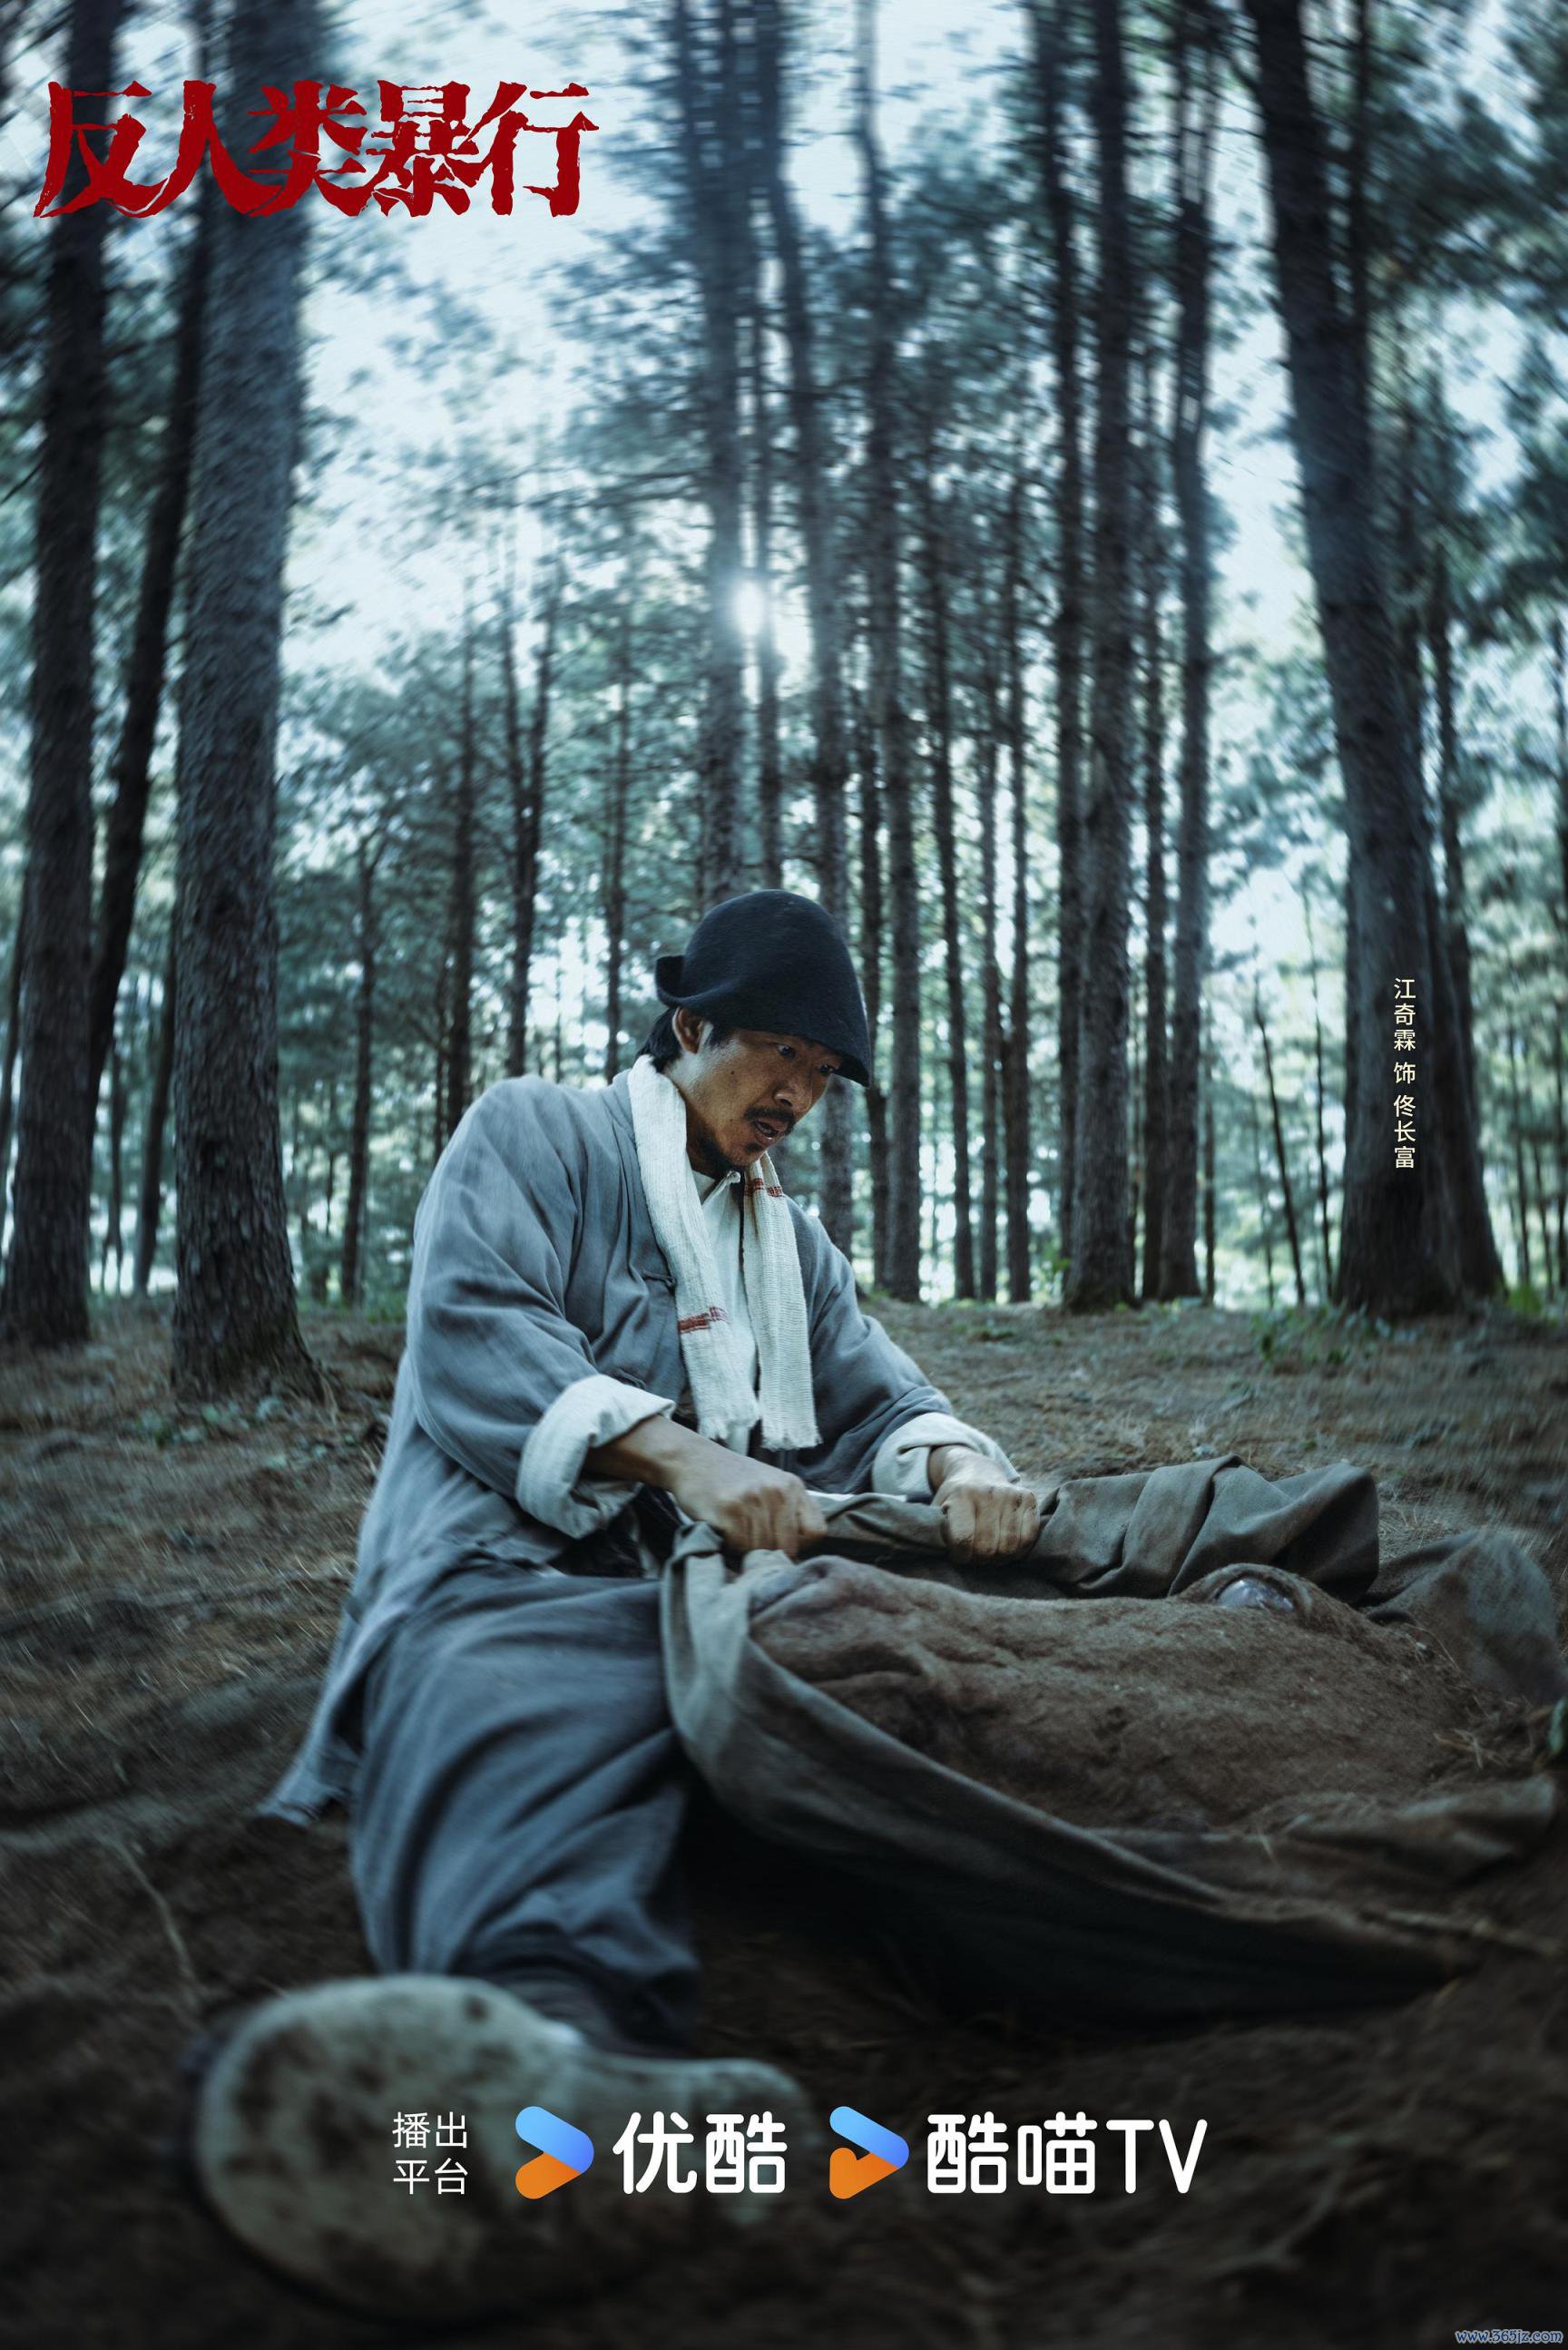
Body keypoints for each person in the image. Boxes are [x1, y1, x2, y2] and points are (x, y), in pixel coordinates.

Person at [191, 890, 1040, 2319]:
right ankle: (547, 2067)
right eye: (775, 1051)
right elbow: (477, 1324)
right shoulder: (538, 1135)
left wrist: (959, 1462)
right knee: (515, 1704)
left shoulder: (791, 1247)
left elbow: (882, 1394)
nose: (795, 1093)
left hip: (701, 1600)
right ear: (689, 1025)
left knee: (881, 1677)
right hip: (499, 1577)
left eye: (823, 1074)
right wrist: (686, 1456)